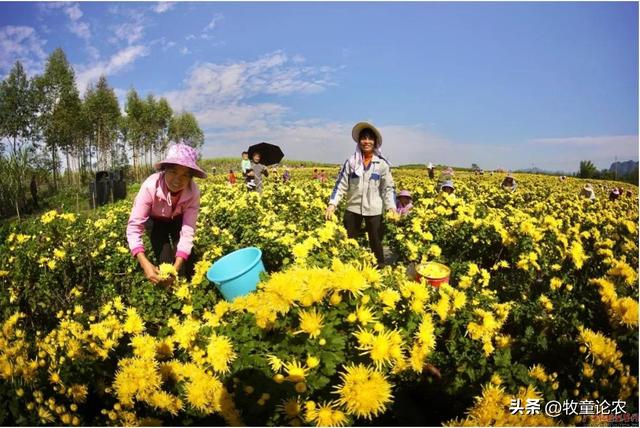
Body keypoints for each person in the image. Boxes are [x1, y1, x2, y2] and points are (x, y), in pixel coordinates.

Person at [127, 144, 206, 284]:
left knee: (186, 259)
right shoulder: (150, 186)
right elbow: (134, 227)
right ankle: (168, 292)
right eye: (173, 171)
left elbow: (188, 231)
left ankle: (188, 287)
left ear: (191, 178)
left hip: (178, 219)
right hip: (156, 220)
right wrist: (145, 264)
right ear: (164, 170)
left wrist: (176, 267)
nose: (178, 179)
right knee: (164, 258)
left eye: (185, 175)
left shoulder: (193, 192)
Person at [325, 121, 395, 266]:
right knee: (349, 241)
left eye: (370, 138)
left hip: (374, 210)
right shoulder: (351, 162)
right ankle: (348, 268)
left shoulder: (381, 164)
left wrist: (391, 207)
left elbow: (388, 188)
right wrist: (332, 204)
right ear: (359, 141)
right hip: (353, 208)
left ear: (375, 142)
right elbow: (341, 184)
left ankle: (380, 269)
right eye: (364, 138)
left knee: (376, 242)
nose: (367, 141)